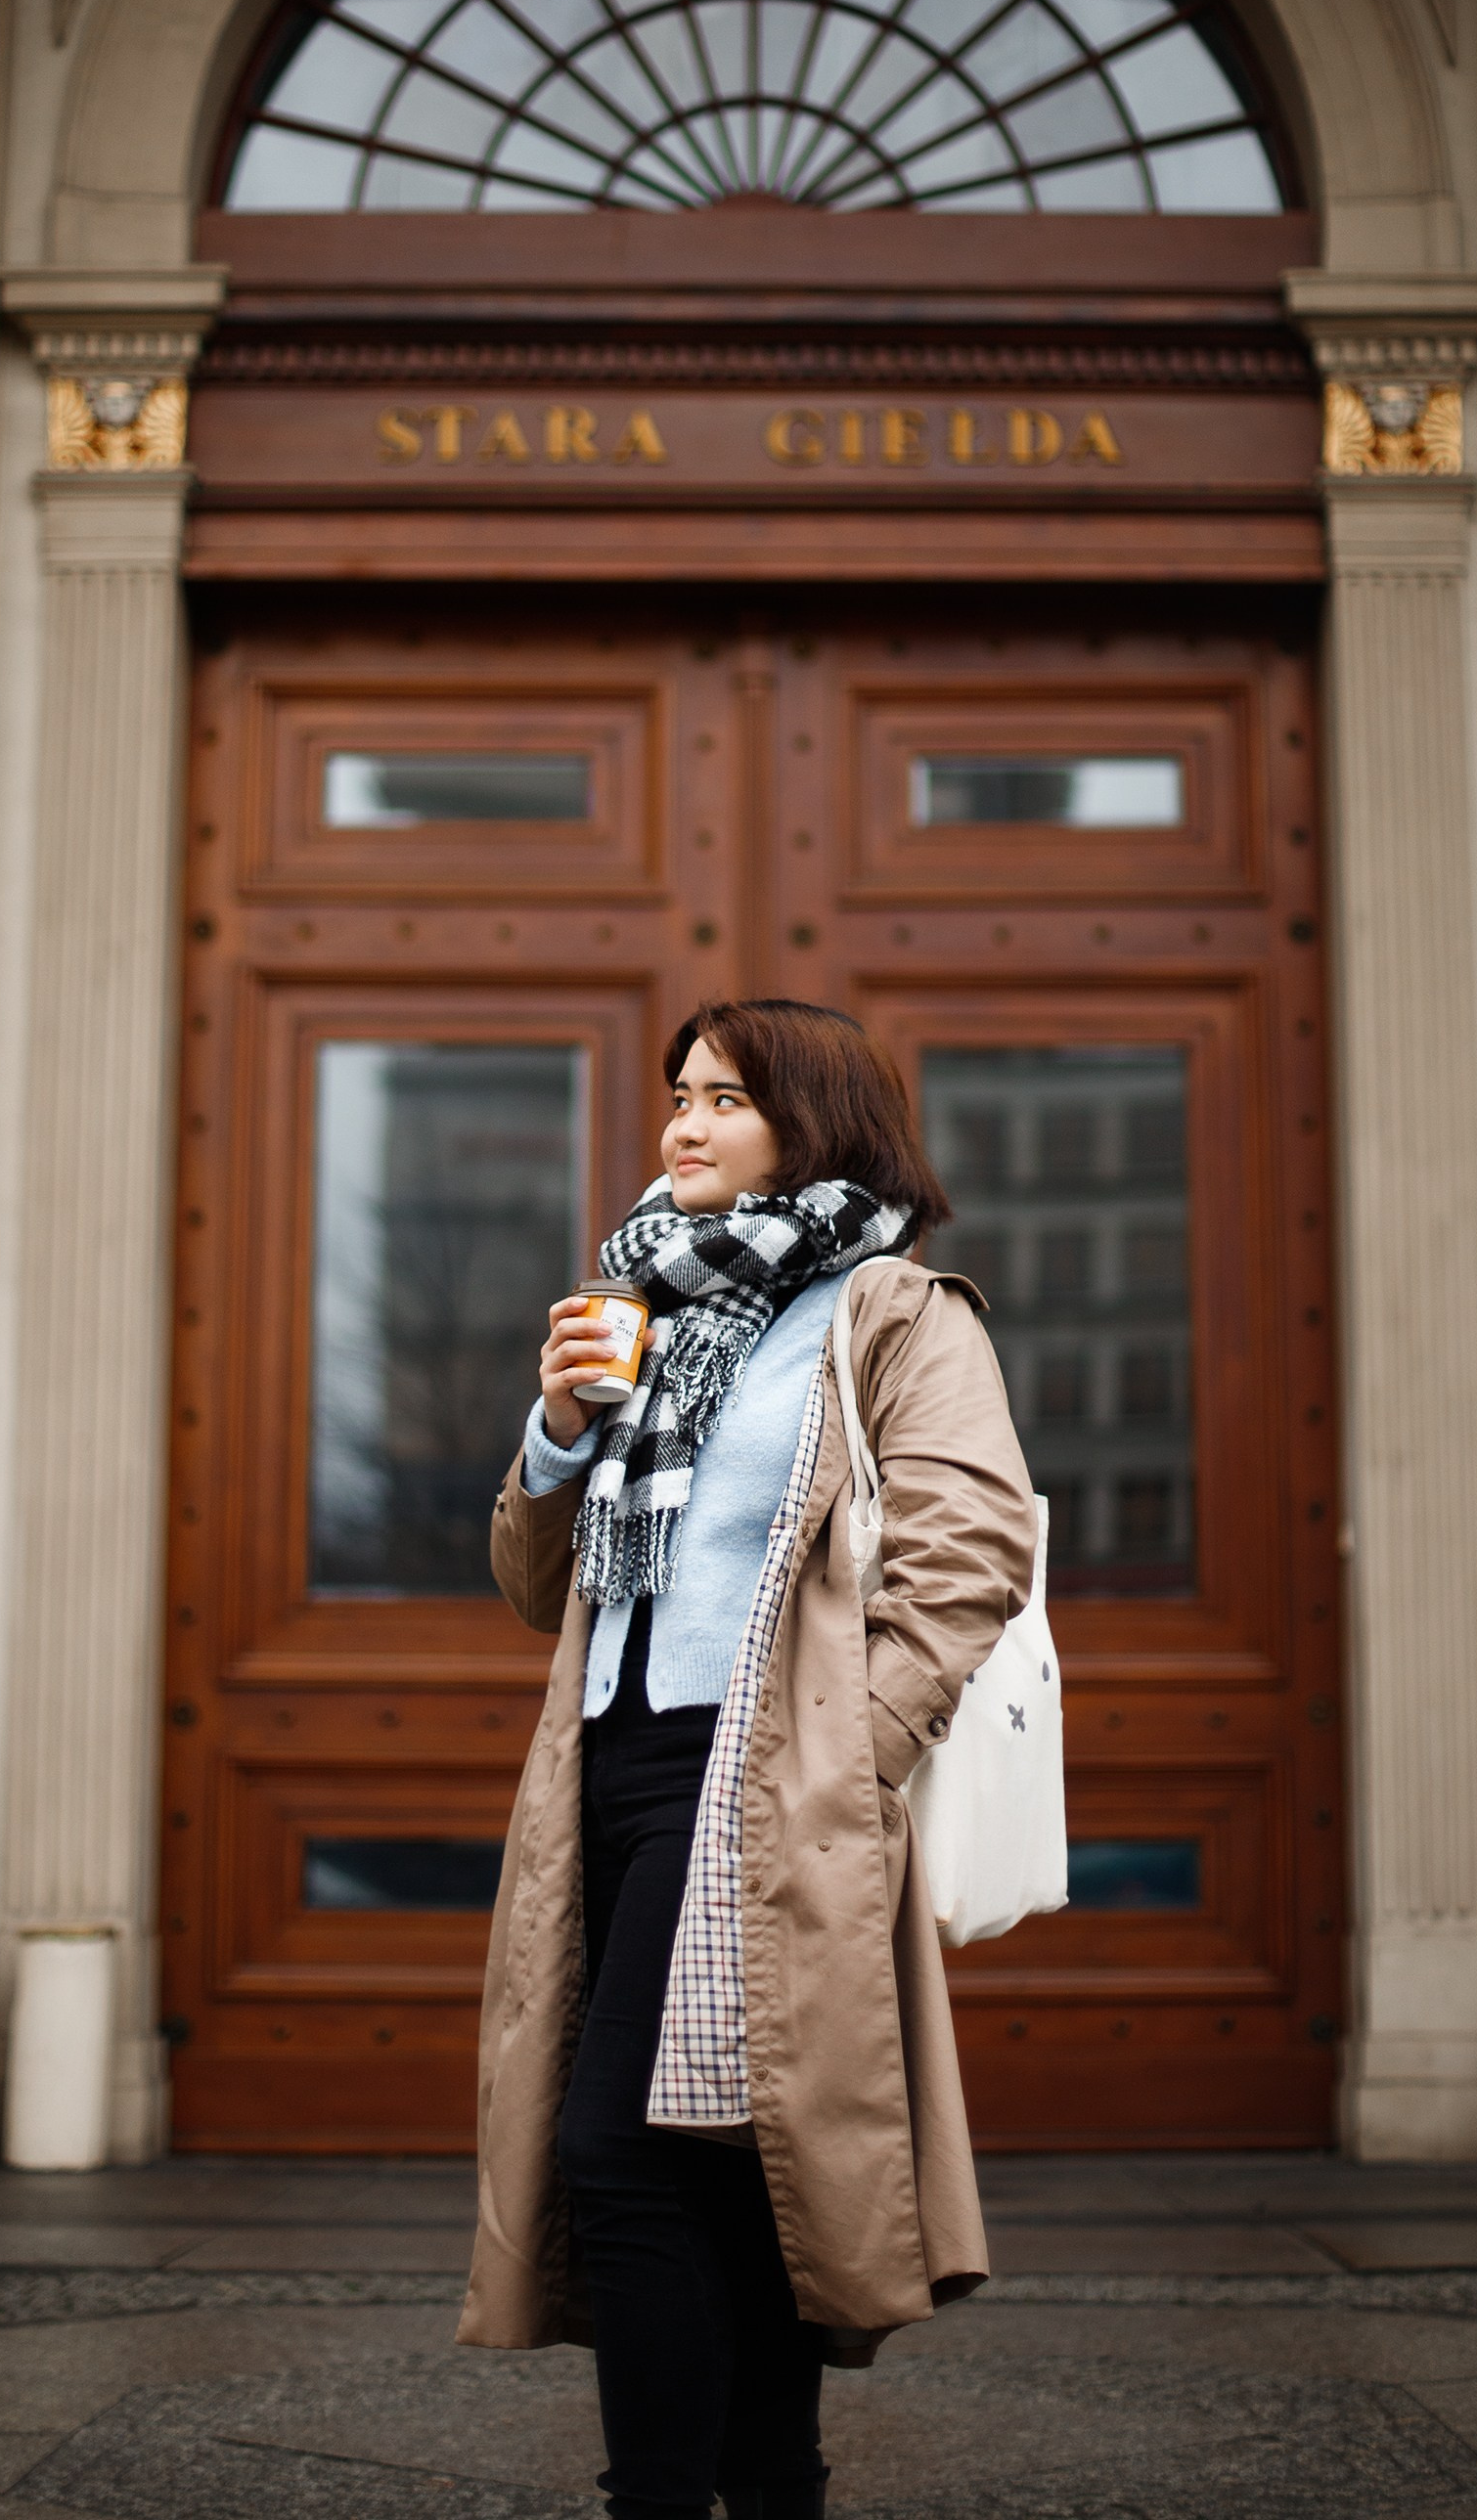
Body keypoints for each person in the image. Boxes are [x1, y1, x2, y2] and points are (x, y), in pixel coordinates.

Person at [458, 997, 1041, 2520]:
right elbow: (538, 1585)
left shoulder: (896, 1315)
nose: (683, 1126)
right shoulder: (642, 1302)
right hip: (614, 1767)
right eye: (679, 1096)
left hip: (767, 1776)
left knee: (624, 2149)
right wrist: (563, 1423)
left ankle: (656, 2497)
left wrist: (854, 1751)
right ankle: (774, 2487)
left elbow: (972, 1548)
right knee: (726, 2159)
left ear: (818, 1122)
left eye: (726, 1099)